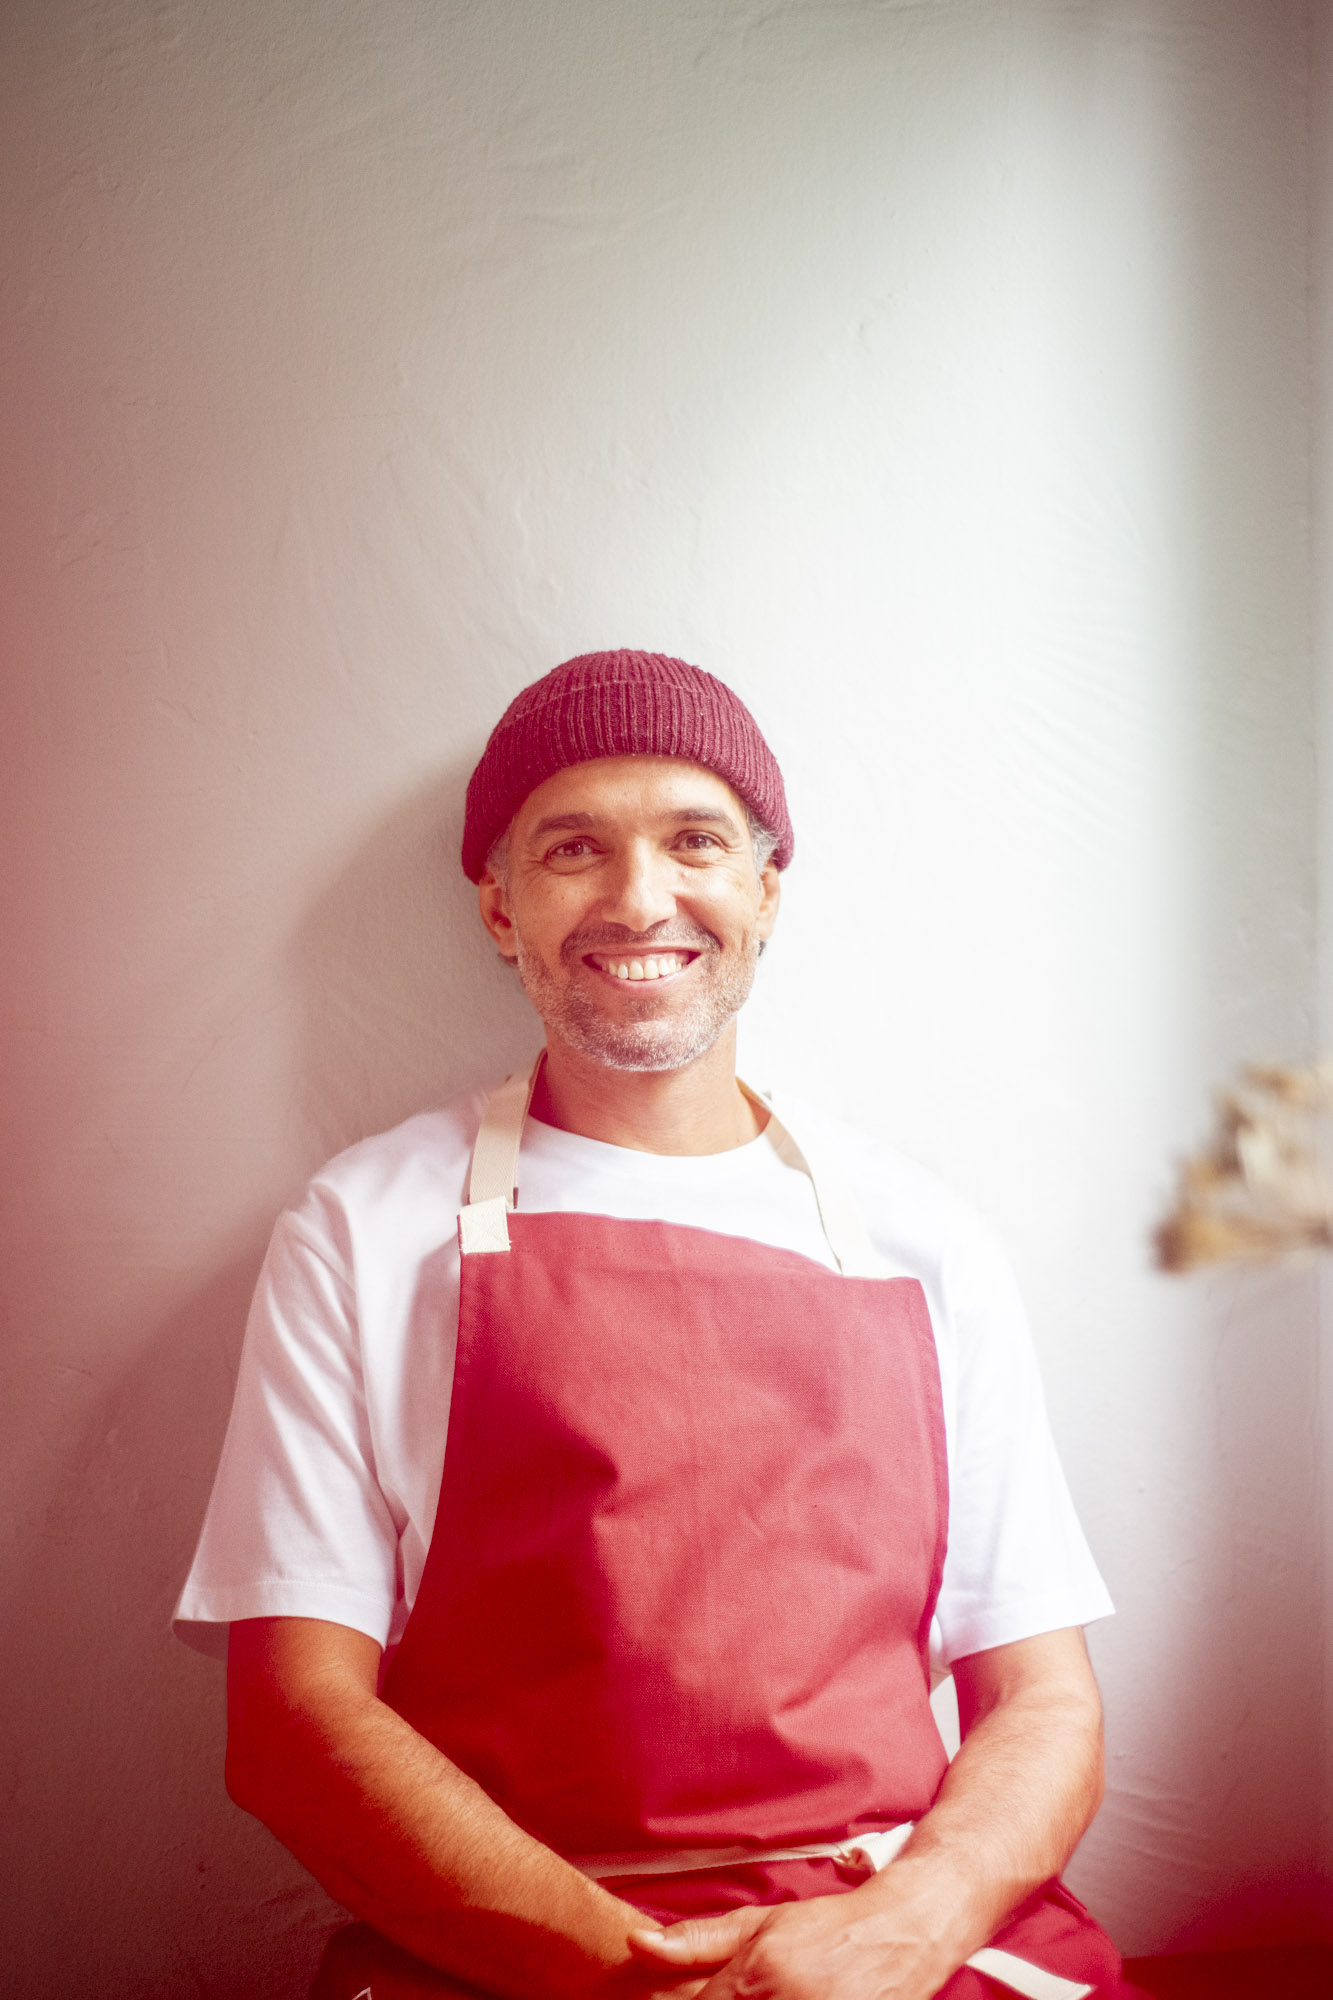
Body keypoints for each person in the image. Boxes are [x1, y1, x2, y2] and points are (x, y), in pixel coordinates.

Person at [177, 650, 1134, 2000]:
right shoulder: (365, 1229)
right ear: (499, 908)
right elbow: (292, 1721)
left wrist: (907, 1928)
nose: (639, 898)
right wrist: (640, 1973)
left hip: (889, 1937)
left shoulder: (929, 1242)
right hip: (507, 1942)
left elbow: (1042, 1700)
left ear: (763, 892)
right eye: (572, 849)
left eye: (695, 841)